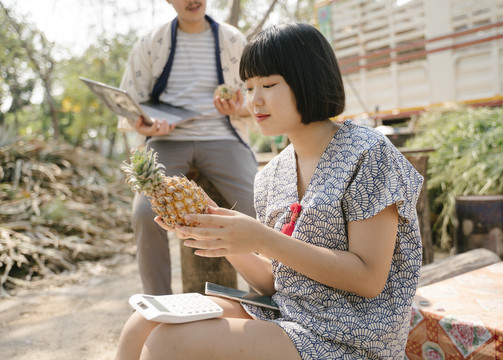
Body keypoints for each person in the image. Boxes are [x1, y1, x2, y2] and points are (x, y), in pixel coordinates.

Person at [115, 22, 424, 359]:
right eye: (248, 87)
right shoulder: (270, 175)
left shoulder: (369, 154)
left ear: (309, 79)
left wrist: (264, 239)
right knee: (140, 324)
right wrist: (222, 236)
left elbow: (368, 278)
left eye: (269, 84)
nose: (254, 100)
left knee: (170, 343)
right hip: (286, 314)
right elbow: (276, 284)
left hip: (350, 337)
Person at [118, 0, 258, 295]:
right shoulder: (149, 44)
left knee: (260, 204)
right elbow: (130, 106)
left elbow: (256, 101)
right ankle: (159, 306)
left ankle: (277, 296)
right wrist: (144, 124)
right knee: (144, 213)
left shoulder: (234, 40)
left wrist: (240, 107)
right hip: (166, 142)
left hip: (224, 137)